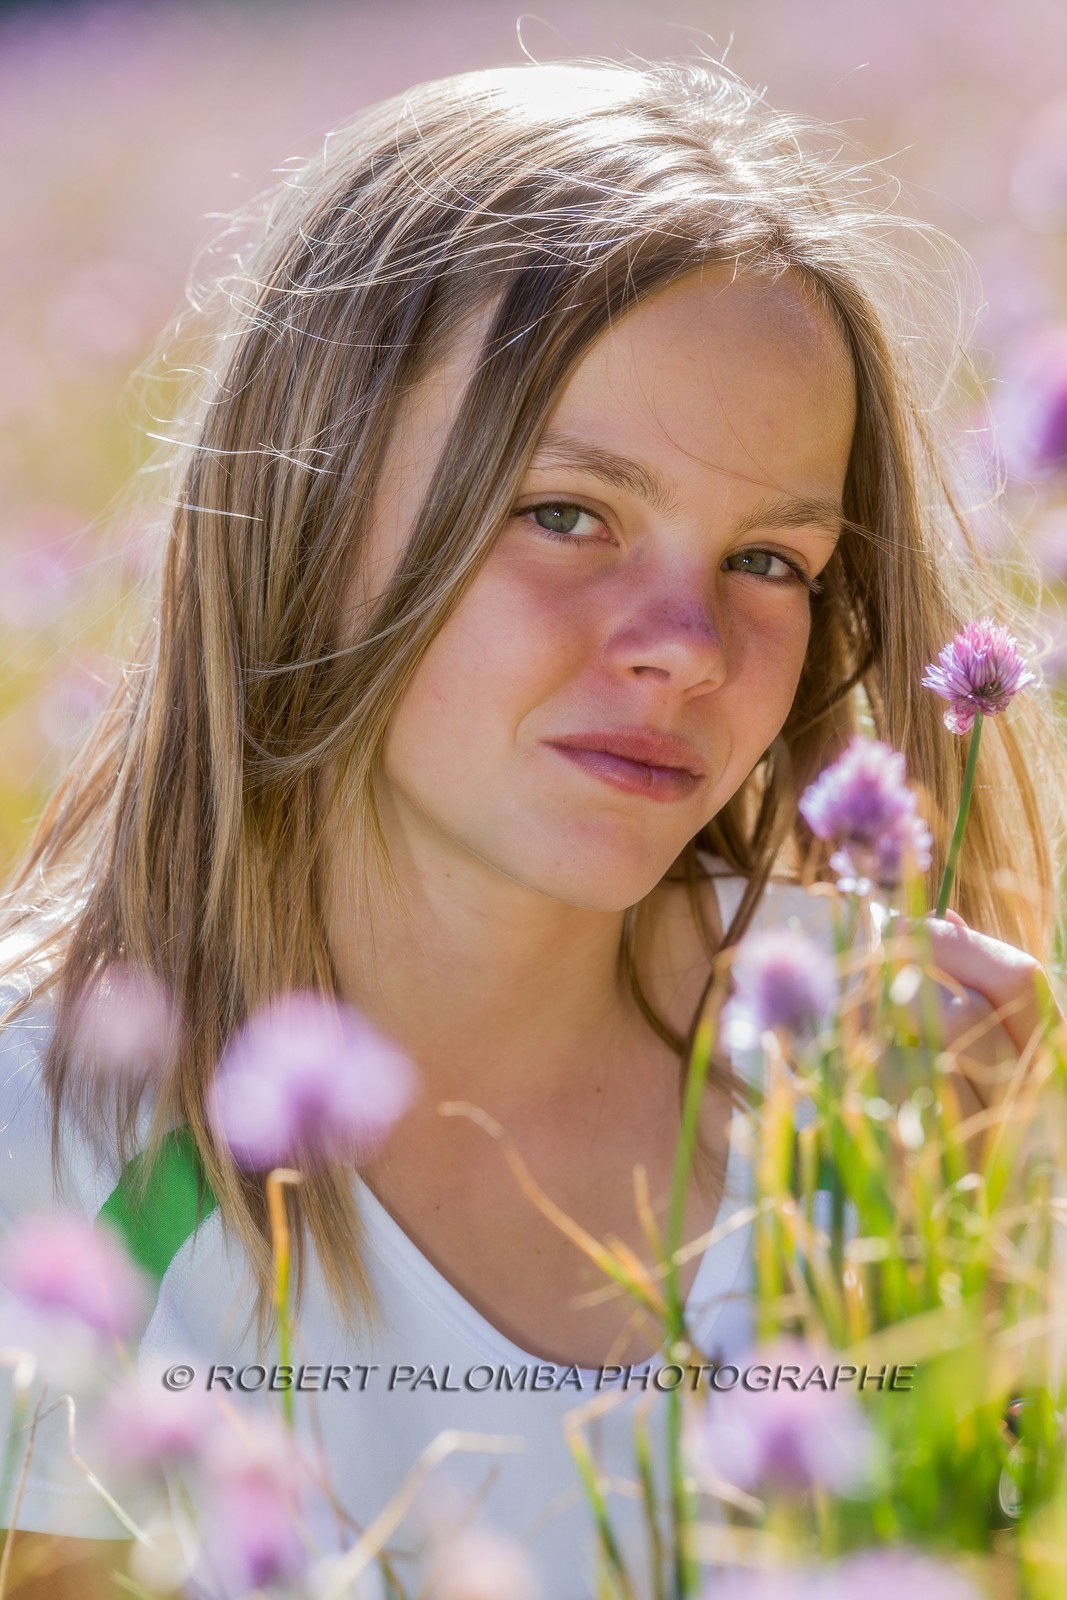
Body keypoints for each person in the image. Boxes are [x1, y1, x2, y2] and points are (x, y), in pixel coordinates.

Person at [0, 58, 1062, 1600]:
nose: (685, 643)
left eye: (770, 557)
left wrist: (1015, 1271)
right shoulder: (55, 1145)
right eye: (566, 513)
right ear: (303, 503)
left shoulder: (904, 1090)